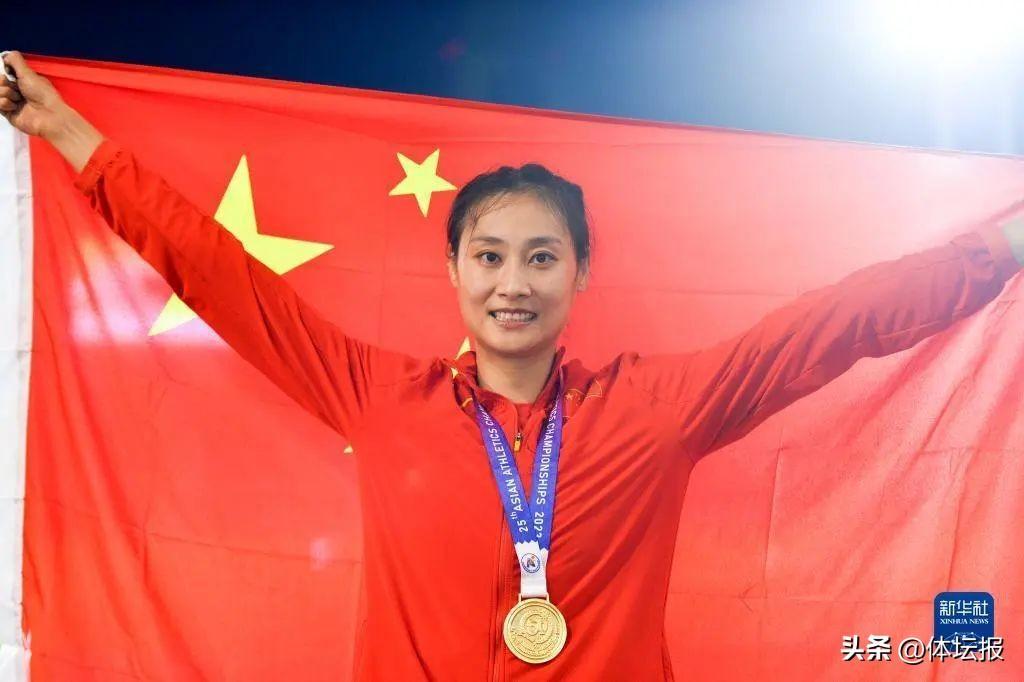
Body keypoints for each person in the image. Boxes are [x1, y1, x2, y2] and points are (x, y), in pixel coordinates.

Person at [2, 50, 1021, 681]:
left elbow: (836, 325)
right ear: (453, 271)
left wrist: (1002, 250)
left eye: (542, 257)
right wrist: (67, 131)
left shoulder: (656, 410)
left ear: (580, 273)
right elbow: (219, 273)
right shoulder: (376, 397)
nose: (513, 284)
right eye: (489, 257)